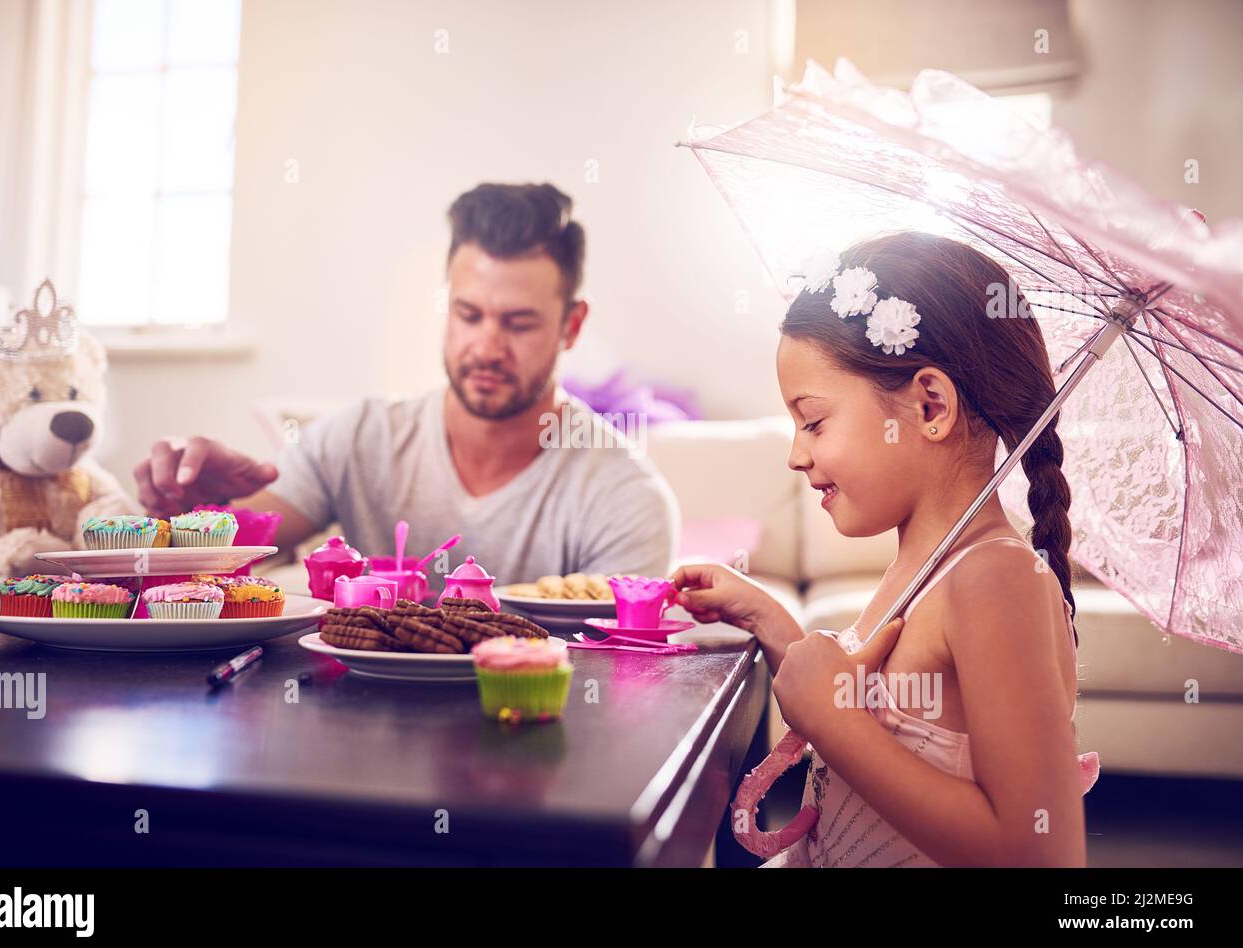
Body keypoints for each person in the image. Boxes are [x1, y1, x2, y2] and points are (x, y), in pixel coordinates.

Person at [673, 232, 1094, 867]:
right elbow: (880, 701)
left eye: (813, 421)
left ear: (930, 405)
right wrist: (767, 618)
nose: (797, 454)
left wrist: (834, 724)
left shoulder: (996, 581)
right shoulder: (924, 567)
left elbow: (1040, 853)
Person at [134, 183, 679, 588]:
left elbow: (610, 686)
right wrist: (196, 512)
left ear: (572, 326)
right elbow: (221, 558)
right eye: (468, 314)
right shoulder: (358, 437)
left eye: (518, 323)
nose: (487, 347)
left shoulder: (626, 499)